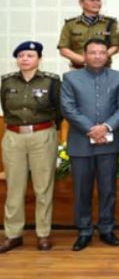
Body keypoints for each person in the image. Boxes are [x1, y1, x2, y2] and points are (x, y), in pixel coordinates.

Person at [60, 39, 119, 251]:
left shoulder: (118, 77)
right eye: (93, 52)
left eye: (101, 52)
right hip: (81, 143)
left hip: (109, 143)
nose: (97, 56)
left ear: (108, 55)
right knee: (82, 190)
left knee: (108, 189)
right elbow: (68, 108)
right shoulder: (70, 78)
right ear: (84, 55)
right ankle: (84, 231)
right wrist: (91, 129)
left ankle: (107, 229)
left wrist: (106, 127)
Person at [0, 42, 61, 253]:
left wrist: (50, 131)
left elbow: (59, 110)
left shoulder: (51, 81)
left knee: (43, 187)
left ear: (39, 59)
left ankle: (43, 233)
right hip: (14, 136)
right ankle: (13, 234)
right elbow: (6, 108)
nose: (25, 59)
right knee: (14, 187)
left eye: (30, 55)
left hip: (42, 135)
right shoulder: (6, 81)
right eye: (21, 56)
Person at [58, 0, 119, 69]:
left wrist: (100, 57)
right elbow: (63, 49)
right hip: (78, 69)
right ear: (81, 2)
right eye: (92, 0)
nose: (96, 3)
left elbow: (116, 46)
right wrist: (82, 59)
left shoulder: (110, 23)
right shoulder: (71, 24)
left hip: (103, 69)